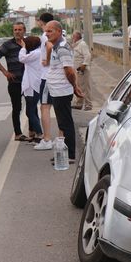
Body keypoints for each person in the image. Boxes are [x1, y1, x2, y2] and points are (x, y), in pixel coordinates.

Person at [44, 20, 83, 163]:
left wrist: (75, 87)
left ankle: (71, 155)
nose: (47, 34)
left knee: (66, 123)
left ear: (59, 32)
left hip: (61, 91)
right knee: (62, 124)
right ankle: (65, 153)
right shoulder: (56, 47)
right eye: (46, 31)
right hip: (56, 90)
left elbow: (69, 71)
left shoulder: (62, 48)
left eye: (50, 31)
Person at [0, 22, 27, 141]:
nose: (17, 32)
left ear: (24, 31)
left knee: (31, 107)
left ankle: (33, 131)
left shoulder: (29, 43)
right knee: (16, 108)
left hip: (29, 81)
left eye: (19, 29)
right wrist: (4, 72)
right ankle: (18, 133)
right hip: (14, 81)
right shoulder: (7, 45)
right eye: (15, 30)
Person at [34, 12, 56, 150]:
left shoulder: (45, 36)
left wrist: (47, 60)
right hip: (56, 76)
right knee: (58, 107)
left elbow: (49, 47)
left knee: (44, 107)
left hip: (47, 77)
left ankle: (47, 139)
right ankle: (60, 137)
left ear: (41, 22)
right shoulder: (60, 33)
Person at [18, 35, 43, 141]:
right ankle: (37, 133)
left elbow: (21, 58)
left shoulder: (36, 53)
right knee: (32, 110)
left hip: (32, 85)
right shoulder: (38, 52)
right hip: (32, 84)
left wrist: (23, 47)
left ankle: (40, 133)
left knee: (30, 111)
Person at [70, 31, 92, 111]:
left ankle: (88, 105)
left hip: (82, 70)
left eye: (73, 36)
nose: (72, 38)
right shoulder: (76, 45)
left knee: (85, 88)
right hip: (77, 70)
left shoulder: (82, 44)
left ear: (76, 37)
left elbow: (88, 55)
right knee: (78, 86)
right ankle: (79, 104)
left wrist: (84, 65)